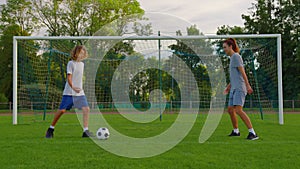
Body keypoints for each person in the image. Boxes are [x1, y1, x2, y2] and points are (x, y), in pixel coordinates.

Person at [45, 45, 93, 138]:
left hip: (79, 93)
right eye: (80, 53)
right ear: (75, 53)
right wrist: (73, 87)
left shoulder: (82, 65)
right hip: (69, 92)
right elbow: (69, 78)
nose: (82, 55)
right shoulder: (71, 63)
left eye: (83, 53)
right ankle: (51, 129)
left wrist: (78, 88)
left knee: (86, 109)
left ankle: (85, 131)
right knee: (62, 110)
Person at [223, 38, 259, 140]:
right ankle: (236, 131)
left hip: (239, 88)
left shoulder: (236, 57)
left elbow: (242, 72)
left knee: (238, 110)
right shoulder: (232, 58)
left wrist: (247, 85)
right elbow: (235, 76)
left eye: (225, 47)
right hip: (234, 88)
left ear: (230, 47)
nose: (224, 49)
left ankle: (253, 133)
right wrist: (229, 87)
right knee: (230, 110)